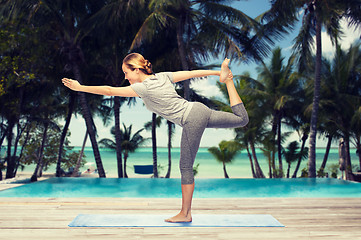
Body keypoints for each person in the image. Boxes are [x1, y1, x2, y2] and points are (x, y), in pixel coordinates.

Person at [62, 53, 249, 223]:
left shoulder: (142, 88)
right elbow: (191, 73)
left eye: (126, 73)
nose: (125, 77)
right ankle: (230, 81)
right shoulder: (162, 76)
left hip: (191, 117)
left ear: (136, 69)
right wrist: (218, 74)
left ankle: (185, 214)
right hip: (199, 110)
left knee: (185, 166)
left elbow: (109, 91)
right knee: (242, 120)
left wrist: (81, 87)